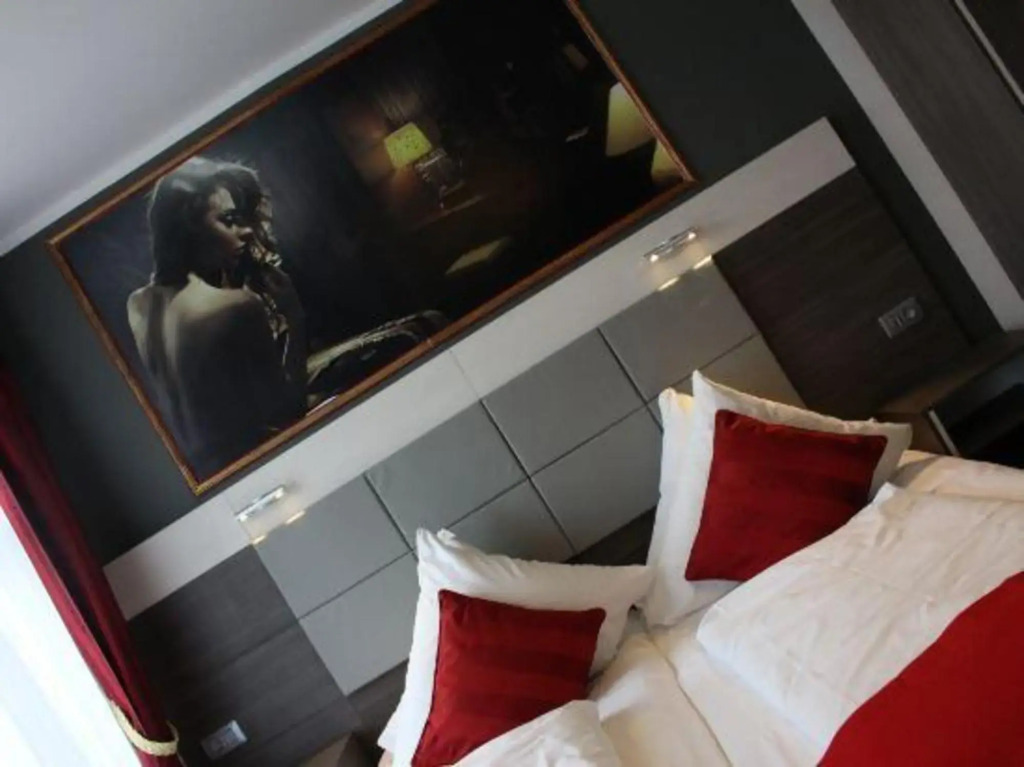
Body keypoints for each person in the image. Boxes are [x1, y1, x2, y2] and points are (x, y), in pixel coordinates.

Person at [127, 158, 308, 478]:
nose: (247, 231)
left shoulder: (139, 304)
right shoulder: (236, 307)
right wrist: (294, 317)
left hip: (203, 475)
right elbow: (290, 412)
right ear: (190, 231)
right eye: (229, 220)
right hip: (259, 465)